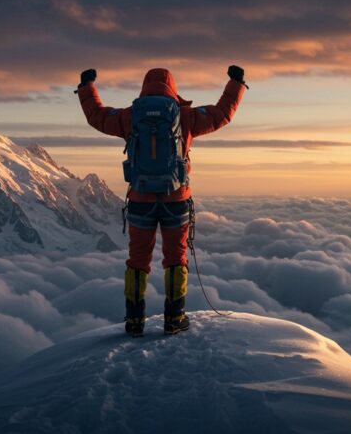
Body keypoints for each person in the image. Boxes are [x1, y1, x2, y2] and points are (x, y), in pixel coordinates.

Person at [76, 66, 246, 336]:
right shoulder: (185, 116)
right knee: (175, 257)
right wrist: (236, 83)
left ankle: (134, 321)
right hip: (176, 199)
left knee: (138, 260)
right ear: (173, 88)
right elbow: (221, 114)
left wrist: (87, 87)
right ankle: (174, 319)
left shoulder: (130, 117)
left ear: (144, 87)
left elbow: (97, 116)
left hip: (140, 200)